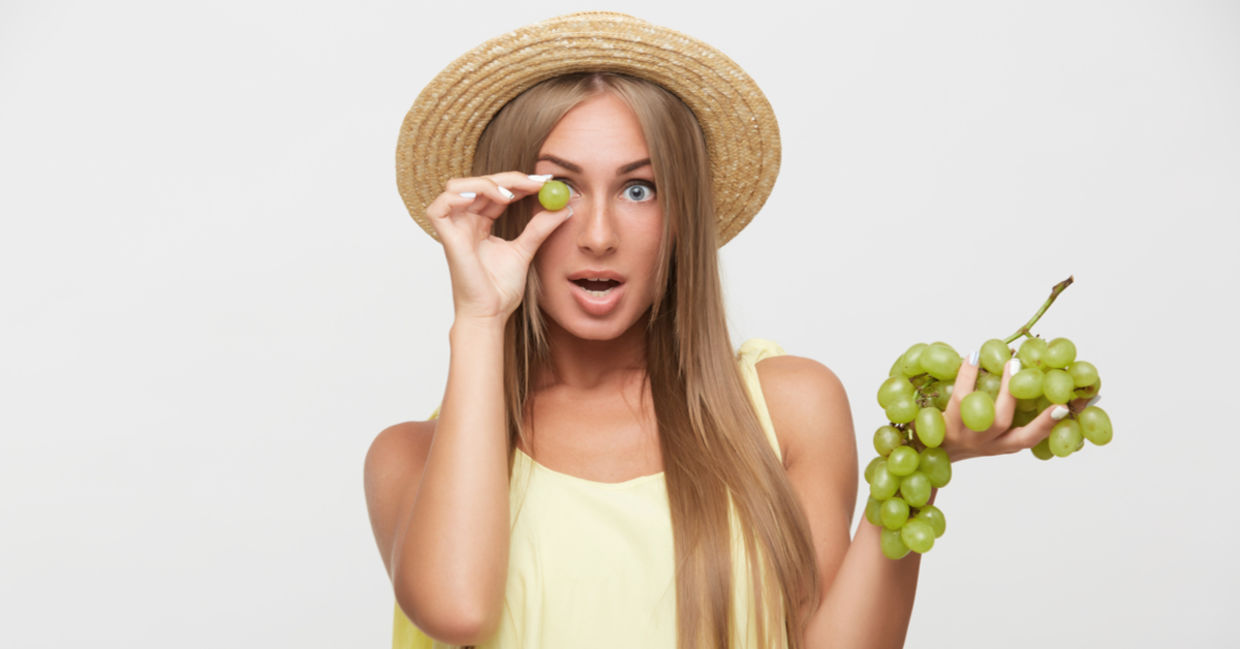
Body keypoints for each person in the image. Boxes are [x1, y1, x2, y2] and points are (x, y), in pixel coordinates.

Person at [364, 12, 1076, 649]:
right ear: (508, 209)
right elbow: (456, 609)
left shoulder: (786, 409)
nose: (600, 234)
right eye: (563, 189)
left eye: (639, 188)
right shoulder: (409, 460)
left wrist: (920, 469)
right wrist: (481, 316)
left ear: (682, 218)